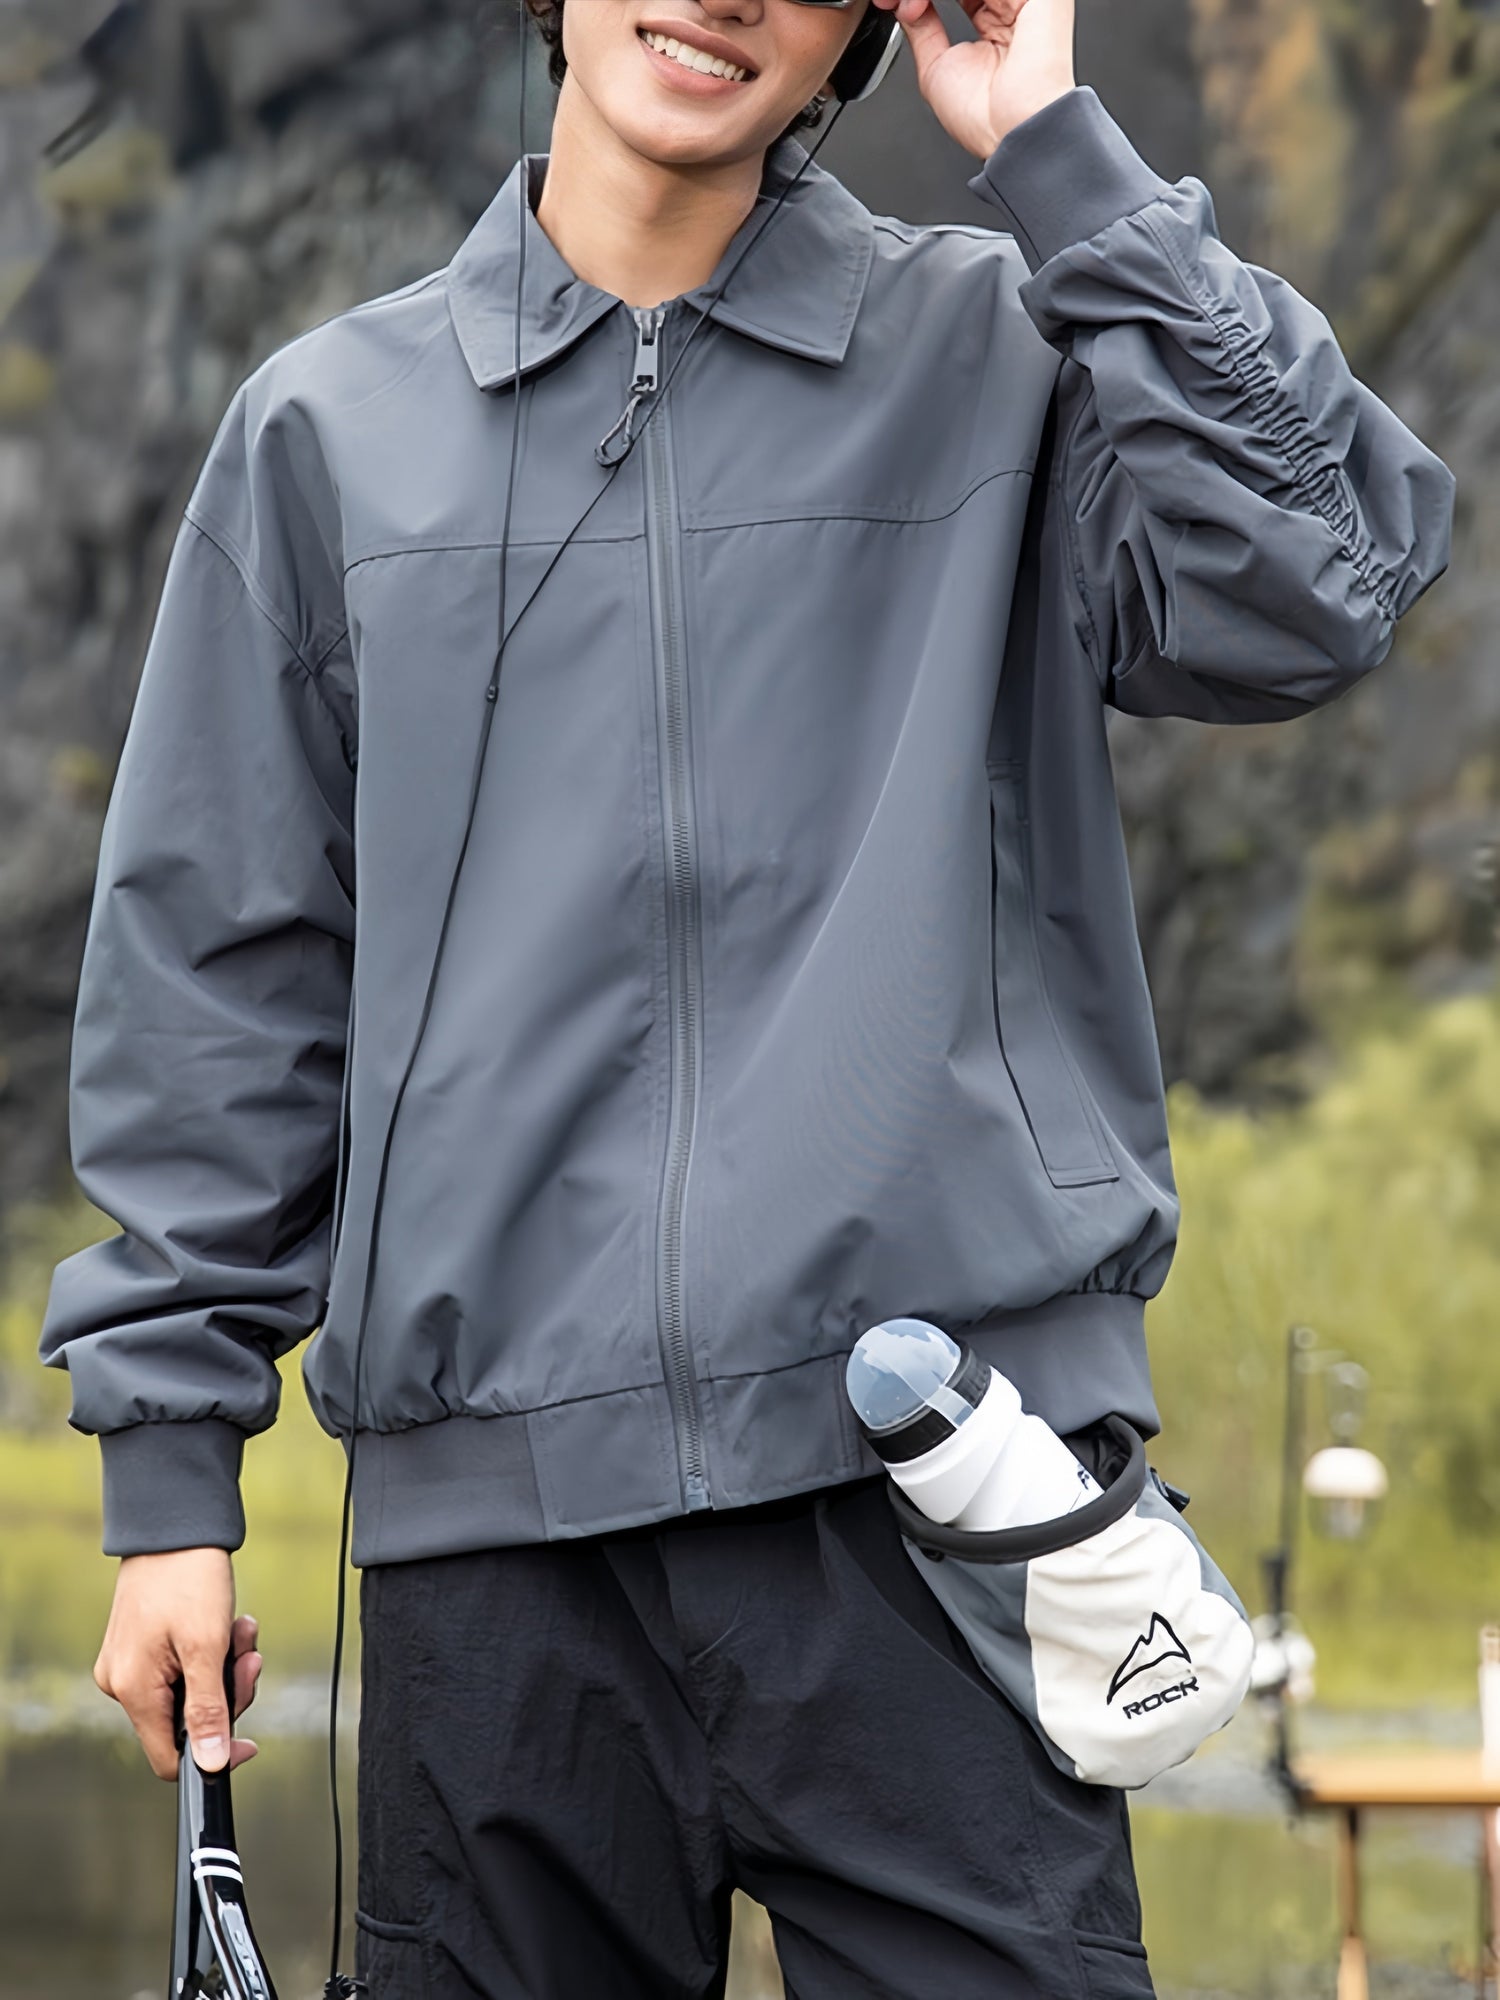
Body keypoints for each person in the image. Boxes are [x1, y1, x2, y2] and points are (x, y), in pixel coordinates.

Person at [38, 0, 1455, 1989]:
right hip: (498, 1573)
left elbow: (1327, 575)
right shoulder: (326, 435)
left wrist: (1050, 142)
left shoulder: (1011, 356)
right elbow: (220, 981)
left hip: (946, 1512)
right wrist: (172, 1480)